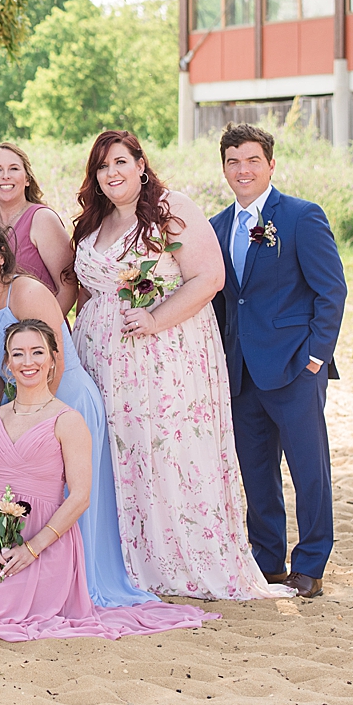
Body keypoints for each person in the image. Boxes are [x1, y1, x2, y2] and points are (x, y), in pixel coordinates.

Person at [70, 130, 286, 601]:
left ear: (141, 165)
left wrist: (153, 318)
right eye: (103, 166)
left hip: (164, 356)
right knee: (115, 453)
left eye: (121, 162)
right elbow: (86, 290)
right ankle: (119, 556)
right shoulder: (94, 221)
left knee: (164, 452)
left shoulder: (171, 208)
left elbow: (209, 277)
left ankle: (174, 557)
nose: (112, 173)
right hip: (99, 357)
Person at [0, 320, 213, 640]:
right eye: (18, 354)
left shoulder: (67, 420)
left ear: (52, 360)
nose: (28, 362)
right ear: (7, 362)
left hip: (47, 542)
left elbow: (80, 497)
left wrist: (32, 549)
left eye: (37, 352)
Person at [0, 218, 152, 608]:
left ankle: (78, 581)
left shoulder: (26, 291)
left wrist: (39, 418)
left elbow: (57, 360)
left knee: (67, 496)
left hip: (63, 403)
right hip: (23, 408)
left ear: (1, 257)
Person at [211, 123, 347, 599]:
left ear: (271, 164)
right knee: (256, 472)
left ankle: (310, 562)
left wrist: (315, 356)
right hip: (241, 372)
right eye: (233, 161)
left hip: (294, 367)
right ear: (224, 168)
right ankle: (266, 559)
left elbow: (331, 290)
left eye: (252, 160)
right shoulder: (216, 227)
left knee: (309, 470)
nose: (242, 169)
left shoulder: (301, 217)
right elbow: (224, 303)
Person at [0, 143, 77, 316]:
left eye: (14, 168)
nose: (6, 176)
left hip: (38, 332)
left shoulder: (42, 219)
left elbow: (69, 288)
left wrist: (43, 332)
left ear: (27, 179)